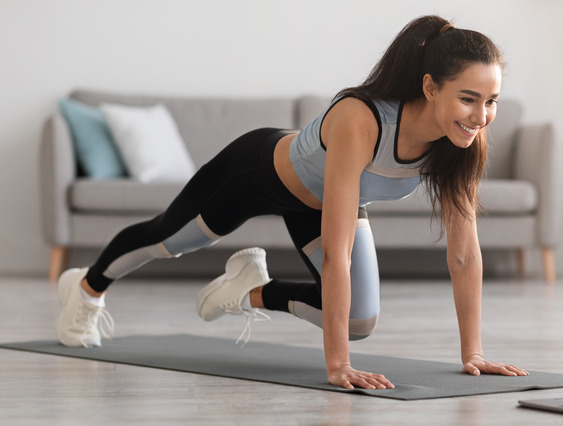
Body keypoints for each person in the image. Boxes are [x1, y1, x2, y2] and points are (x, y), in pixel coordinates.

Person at [55, 15, 529, 390]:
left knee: (360, 320)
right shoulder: (361, 119)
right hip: (256, 173)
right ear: (430, 87)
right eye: (470, 99)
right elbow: (339, 252)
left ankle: (247, 289)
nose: (482, 116)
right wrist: (339, 365)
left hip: (325, 203)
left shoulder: (462, 144)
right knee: (168, 241)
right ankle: (86, 290)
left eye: (492, 101)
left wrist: (474, 354)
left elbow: (465, 253)